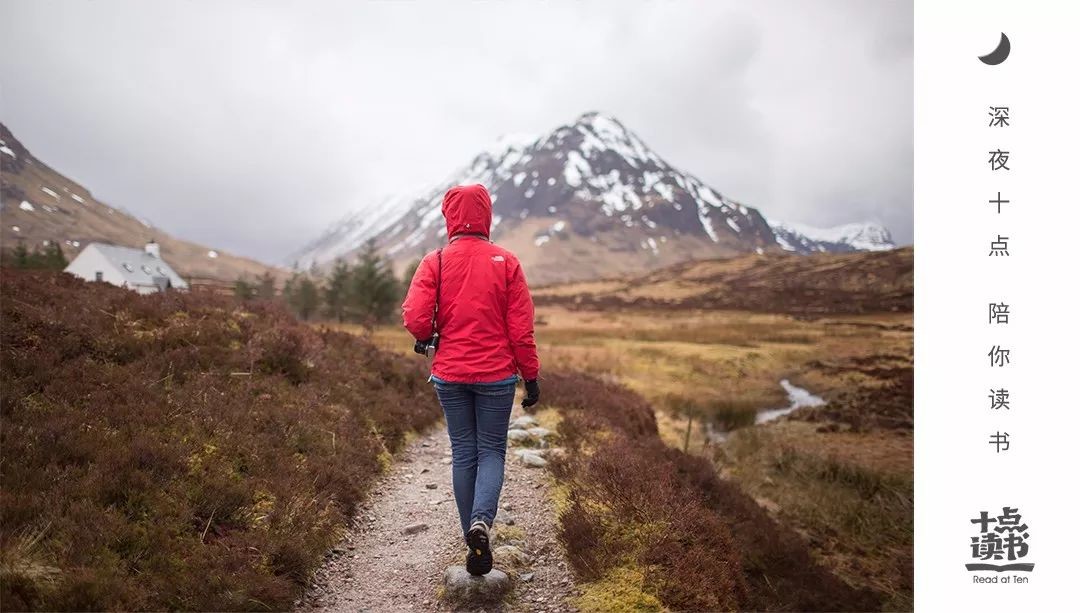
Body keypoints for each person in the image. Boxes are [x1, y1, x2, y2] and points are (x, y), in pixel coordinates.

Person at [401, 183, 541, 576]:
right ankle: (482, 523)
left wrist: (425, 337)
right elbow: (521, 332)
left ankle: (473, 541)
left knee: (464, 453)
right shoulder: (507, 261)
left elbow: (414, 316)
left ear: (448, 216)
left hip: (449, 373)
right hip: (497, 375)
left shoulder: (437, 261)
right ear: (486, 216)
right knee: (491, 451)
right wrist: (530, 378)